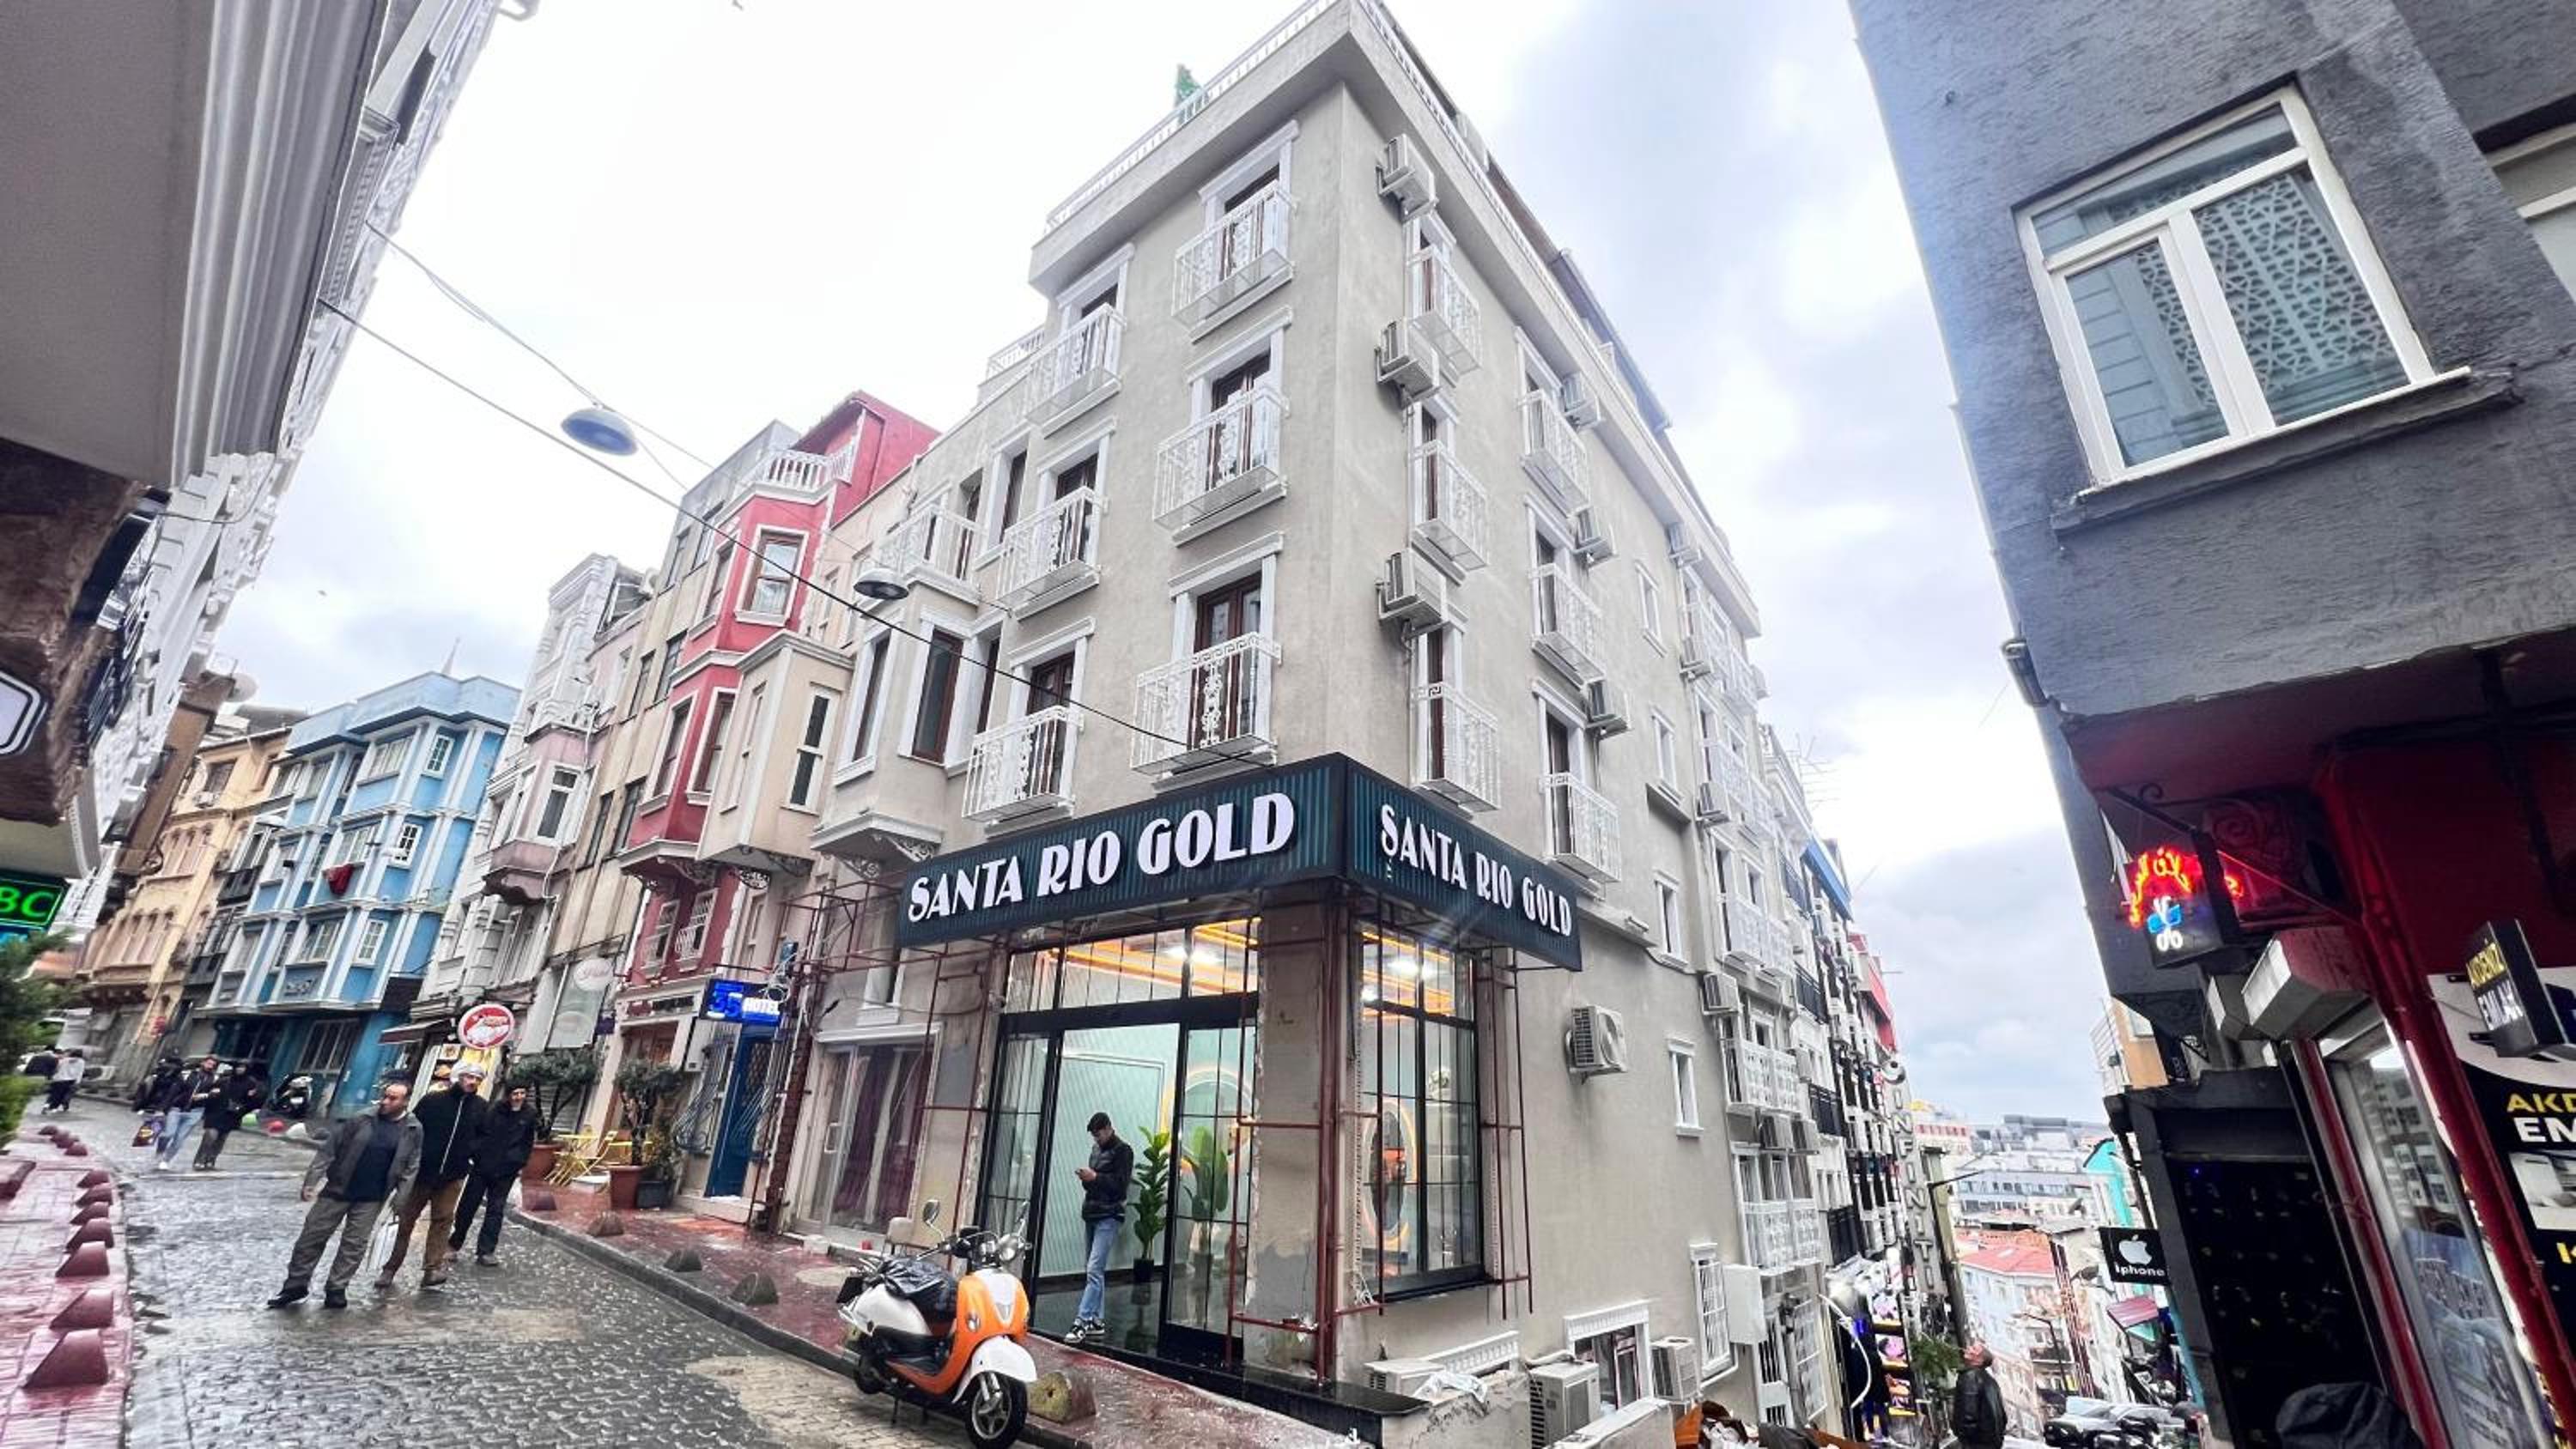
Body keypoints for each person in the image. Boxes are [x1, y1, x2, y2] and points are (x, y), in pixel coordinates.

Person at [268, 1082, 421, 1310]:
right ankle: (295, 1285)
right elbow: (329, 1149)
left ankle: (337, 1288)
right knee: (312, 1237)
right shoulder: (362, 1119)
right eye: (385, 1096)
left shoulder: (412, 1128)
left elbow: (411, 1165)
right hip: (338, 1189)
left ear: (405, 1102)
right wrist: (312, 1181)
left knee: (354, 1245)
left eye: (393, 1098)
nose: (385, 1101)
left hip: (372, 1196)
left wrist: (401, 1199)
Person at [376, 1065, 488, 1290]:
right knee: (405, 1220)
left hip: (453, 1175)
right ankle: (390, 1268)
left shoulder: (481, 1107)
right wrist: (408, 1162)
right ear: (459, 1077)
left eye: (477, 1078)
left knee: (443, 1220)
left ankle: (432, 1269)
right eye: (469, 1077)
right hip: (421, 1173)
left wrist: (469, 1155)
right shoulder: (433, 1100)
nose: (472, 1081)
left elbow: (484, 1136)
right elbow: (412, 1130)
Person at [449, 1081, 537, 1265]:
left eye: (522, 1093)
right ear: (508, 1094)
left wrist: (519, 1161)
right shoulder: (495, 1110)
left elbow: (527, 1141)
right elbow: (480, 1133)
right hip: (483, 1166)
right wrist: (476, 1154)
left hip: (506, 1170)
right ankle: (453, 1244)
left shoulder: (529, 1114)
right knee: (467, 1206)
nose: (519, 1097)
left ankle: (486, 1251)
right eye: (515, 1093)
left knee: (496, 1210)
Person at [1064, 1111, 1132, 1346]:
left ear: (1109, 1128)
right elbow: (1093, 1186)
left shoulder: (1123, 1151)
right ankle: (1097, 1320)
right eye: (1094, 1136)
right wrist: (1087, 1180)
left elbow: (1121, 1186)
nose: (1097, 1139)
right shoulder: (1096, 1150)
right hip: (1092, 1213)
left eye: (1099, 1134)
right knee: (1094, 1269)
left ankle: (1081, 1321)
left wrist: (1095, 1178)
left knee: (1094, 1269)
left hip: (1110, 1216)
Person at [148, 1056, 222, 1171]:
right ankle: (160, 1152)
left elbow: (216, 1095)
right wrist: (161, 1109)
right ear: (203, 1063)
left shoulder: (215, 1079)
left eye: (213, 1065)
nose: (210, 1066)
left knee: (179, 1139)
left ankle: (166, 1160)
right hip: (177, 1109)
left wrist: (207, 1095)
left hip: (195, 1112)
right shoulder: (187, 1074)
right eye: (209, 1063)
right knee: (168, 1134)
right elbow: (173, 1092)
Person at [194, 1064, 265, 1170]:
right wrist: (211, 1097)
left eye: (242, 1067)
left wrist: (249, 1101)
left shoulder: (250, 1083)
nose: (240, 1069)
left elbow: (255, 1101)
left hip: (232, 1115)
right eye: (238, 1067)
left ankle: (211, 1160)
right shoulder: (224, 1081)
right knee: (210, 1137)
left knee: (221, 1139)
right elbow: (209, 1092)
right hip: (216, 1113)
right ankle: (200, 1160)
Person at [1952, 1342, 2008, 1449]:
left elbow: (1968, 1414)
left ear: (1979, 1360)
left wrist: (1964, 1439)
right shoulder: (1991, 1381)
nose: (1968, 1348)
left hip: (1977, 1444)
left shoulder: (1970, 1377)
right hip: (1992, 1443)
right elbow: (2003, 1417)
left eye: (1974, 1349)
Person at [45, 1049, 82, 1114]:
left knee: (53, 1094)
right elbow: (80, 1072)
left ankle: (46, 1106)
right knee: (60, 1096)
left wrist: (52, 1077)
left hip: (58, 1079)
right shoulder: (81, 1062)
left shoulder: (64, 1060)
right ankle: (53, 1109)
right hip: (69, 1080)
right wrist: (78, 1081)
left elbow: (57, 1069)